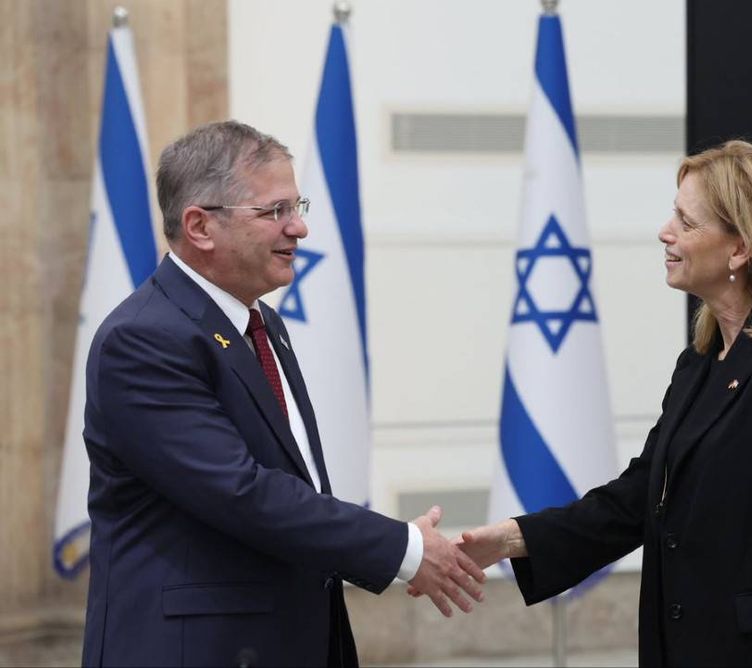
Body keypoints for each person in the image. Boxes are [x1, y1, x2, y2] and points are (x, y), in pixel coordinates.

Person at [457, 140, 752, 666]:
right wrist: (510, 540)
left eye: (687, 223)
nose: (666, 232)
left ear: (740, 249)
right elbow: (636, 498)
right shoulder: (700, 364)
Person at [81, 120, 485, 667]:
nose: (298, 229)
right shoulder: (145, 339)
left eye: (299, 207)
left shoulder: (264, 325)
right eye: (275, 212)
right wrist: (402, 548)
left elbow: (296, 486)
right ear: (200, 226)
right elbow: (241, 491)